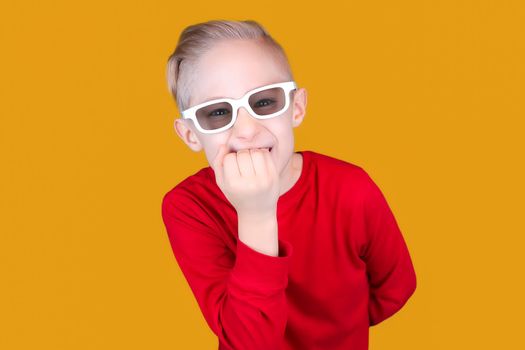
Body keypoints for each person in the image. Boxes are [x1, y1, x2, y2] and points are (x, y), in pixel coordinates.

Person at [161, 19, 416, 350]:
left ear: (296, 108)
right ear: (191, 134)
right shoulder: (189, 207)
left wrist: (339, 329)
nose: (247, 129)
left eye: (265, 102)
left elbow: (396, 286)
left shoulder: (351, 188)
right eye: (219, 113)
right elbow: (247, 343)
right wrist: (256, 215)